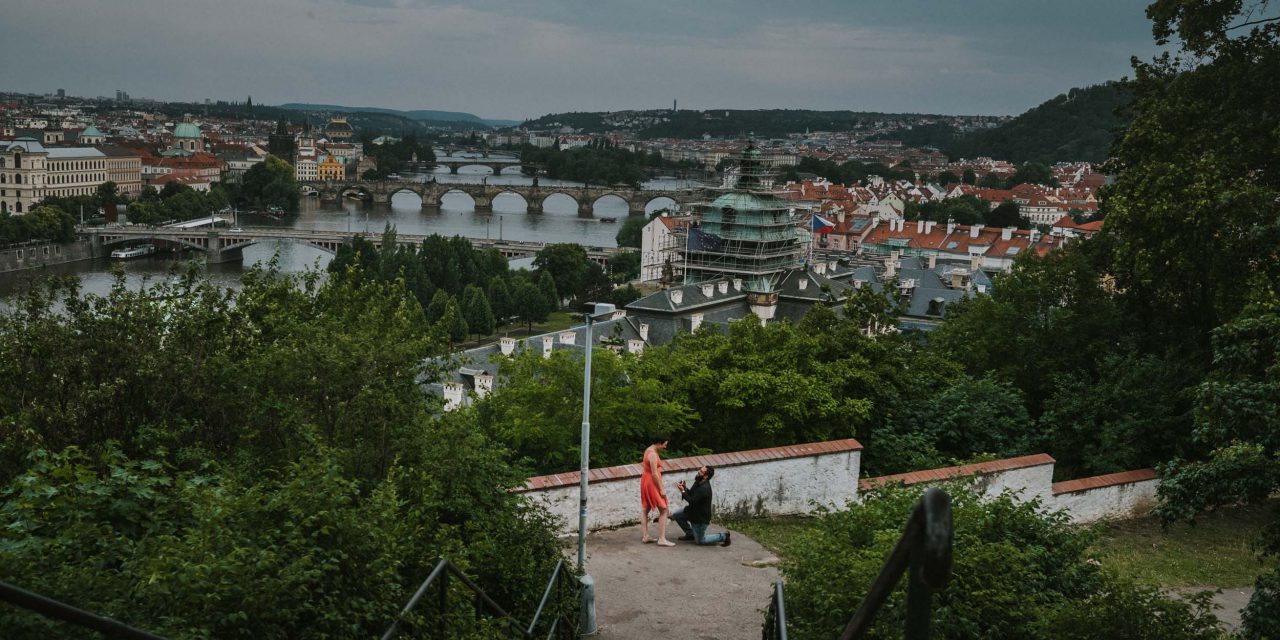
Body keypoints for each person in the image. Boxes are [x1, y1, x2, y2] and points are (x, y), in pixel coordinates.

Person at [672, 466, 730, 547]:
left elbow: (692, 501)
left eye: (701, 471)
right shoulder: (698, 481)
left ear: (706, 476)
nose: (698, 472)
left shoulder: (704, 488)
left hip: (700, 519)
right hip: (692, 512)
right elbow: (692, 495)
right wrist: (685, 488)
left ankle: (724, 536)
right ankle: (690, 534)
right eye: (700, 470)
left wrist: (682, 491)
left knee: (700, 541)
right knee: (677, 515)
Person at [640, 437, 674, 546]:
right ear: (659, 443)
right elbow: (654, 474)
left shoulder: (649, 450)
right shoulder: (653, 455)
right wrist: (661, 489)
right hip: (651, 483)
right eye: (664, 444)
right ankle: (662, 539)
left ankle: (645, 536)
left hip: (646, 481)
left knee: (645, 509)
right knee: (664, 510)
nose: (665, 447)